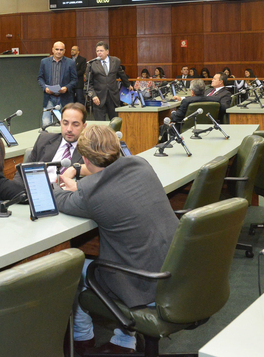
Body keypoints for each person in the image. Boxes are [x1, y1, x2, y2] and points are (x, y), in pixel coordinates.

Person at [54, 125, 178, 354]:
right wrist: (79, 174)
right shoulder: (141, 165)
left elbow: (61, 201)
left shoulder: (92, 194)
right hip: (178, 271)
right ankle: (123, 340)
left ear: (85, 158)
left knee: (75, 267)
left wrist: (63, 182)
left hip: (145, 284)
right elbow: (108, 176)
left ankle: (82, 337)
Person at [11, 103, 87, 185]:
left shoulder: (89, 150)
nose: (69, 129)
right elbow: (22, 172)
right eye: (65, 123)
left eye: (75, 125)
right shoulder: (44, 140)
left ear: (84, 126)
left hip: (67, 191)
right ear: (61, 123)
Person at [86, 41, 131, 121]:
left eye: (101, 51)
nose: (99, 53)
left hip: (113, 96)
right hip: (98, 98)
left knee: (115, 122)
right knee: (100, 124)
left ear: (107, 51)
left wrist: (128, 85)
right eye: (97, 51)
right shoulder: (92, 64)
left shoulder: (115, 61)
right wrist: (93, 96)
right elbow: (88, 83)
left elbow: (122, 75)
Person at [37, 41, 78, 127]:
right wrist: (45, 88)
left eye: (61, 50)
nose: (59, 51)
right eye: (57, 49)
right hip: (49, 97)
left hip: (65, 97)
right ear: (53, 50)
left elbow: (74, 80)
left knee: (66, 124)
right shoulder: (44, 62)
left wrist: (66, 88)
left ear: (64, 51)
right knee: (46, 123)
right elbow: (40, 78)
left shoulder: (70, 63)